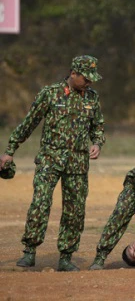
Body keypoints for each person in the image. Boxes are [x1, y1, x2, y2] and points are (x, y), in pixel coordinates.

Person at [0, 55, 105, 272]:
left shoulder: (92, 97)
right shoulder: (50, 93)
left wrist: (97, 143)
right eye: (86, 78)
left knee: (75, 210)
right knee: (40, 203)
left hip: (77, 163)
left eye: (92, 79)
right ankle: (30, 251)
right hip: (50, 159)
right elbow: (29, 123)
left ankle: (66, 256)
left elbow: (98, 126)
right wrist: (10, 151)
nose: (89, 83)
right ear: (73, 73)